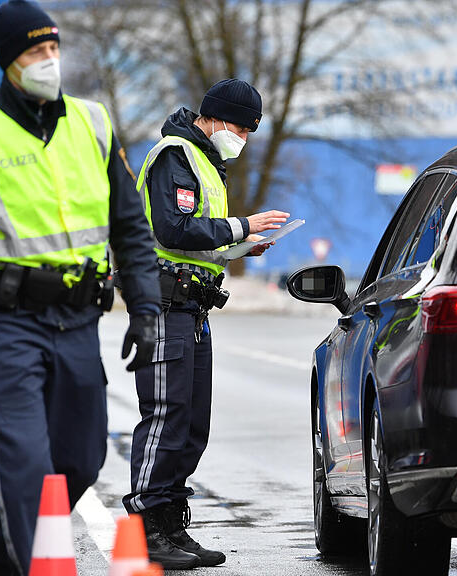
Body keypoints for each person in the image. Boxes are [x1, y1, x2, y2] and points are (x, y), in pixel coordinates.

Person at [0, 1, 161, 574]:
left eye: (53, 48)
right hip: (2, 327)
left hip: (76, 322)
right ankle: (35, 563)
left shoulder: (92, 123)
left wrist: (145, 307)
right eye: (35, 52)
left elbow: (130, 226)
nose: (49, 61)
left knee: (81, 460)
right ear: (9, 62)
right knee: (26, 468)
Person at [123, 78, 288, 569]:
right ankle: (146, 526)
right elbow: (171, 228)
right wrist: (243, 225)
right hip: (164, 305)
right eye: (239, 126)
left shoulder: (206, 163)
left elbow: (196, 239)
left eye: (250, 130)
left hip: (192, 308)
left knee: (193, 425)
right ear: (212, 117)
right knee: (165, 418)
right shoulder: (175, 154)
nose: (242, 137)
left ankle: (171, 524)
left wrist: (238, 248)